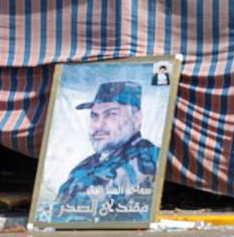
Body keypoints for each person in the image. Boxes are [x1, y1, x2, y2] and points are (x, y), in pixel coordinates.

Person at [52, 81, 159, 222]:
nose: (98, 125)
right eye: (94, 116)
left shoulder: (152, 159)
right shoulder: (84, 166)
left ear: (137, 118)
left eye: (111, 115)